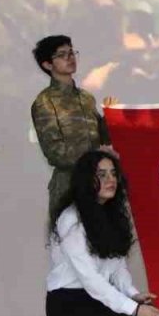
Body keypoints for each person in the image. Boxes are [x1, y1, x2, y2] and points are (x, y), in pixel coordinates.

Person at [45, 150, 159, 316]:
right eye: (101, 174)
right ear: (87, 180)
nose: (110, 180)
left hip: (97, 301)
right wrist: (133, 310)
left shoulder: (111, 214)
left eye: (113, 174)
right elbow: (91, 280)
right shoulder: (72, 219)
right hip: (69, 306)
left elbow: (117, 267)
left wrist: (132, 294)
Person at [30, 35, 116, 217]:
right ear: (47, 65)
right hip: (69, 186)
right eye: (62, 54)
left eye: (71, 52)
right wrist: (93, 158)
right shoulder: (45, 102)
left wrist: (110, 116)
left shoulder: (86, 98)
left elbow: (104, 139)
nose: (70, 58)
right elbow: (55, 152)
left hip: (98, 185)